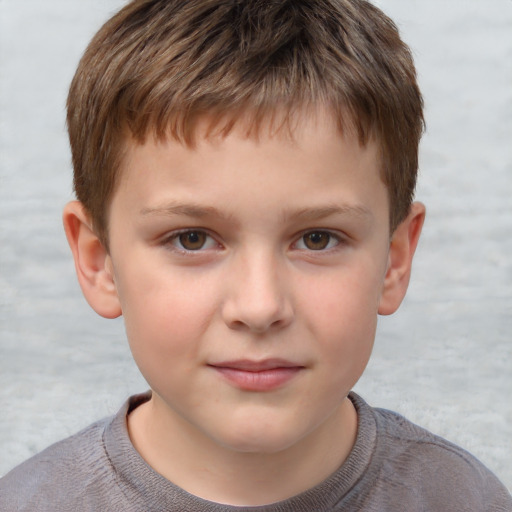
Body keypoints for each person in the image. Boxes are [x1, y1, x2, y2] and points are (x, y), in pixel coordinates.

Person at [1, 0, 510, 510]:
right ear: (99, 261)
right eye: (192, 239)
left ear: (394, 260)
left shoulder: (464, 498)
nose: (260, 306)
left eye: (318, 239)